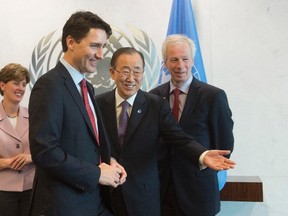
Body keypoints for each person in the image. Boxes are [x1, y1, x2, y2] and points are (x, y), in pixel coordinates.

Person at [95, 47, 235, 216]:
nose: (131, 78)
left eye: (137, 71)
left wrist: (202, 155)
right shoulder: (97, 104)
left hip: (144, 198)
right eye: (125, 71)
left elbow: (178, 137)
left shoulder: (155, 104)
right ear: (112, 73)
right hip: (105, 196)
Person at [28, 11, 126, 216]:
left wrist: (109, 162)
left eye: (103, 47)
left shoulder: (86, 87)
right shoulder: (49, 86)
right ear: (71, 42)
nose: (100, 55)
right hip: (65, 206)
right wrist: (97, 173)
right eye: (94, 46)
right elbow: (45, 152)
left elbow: (87, 142)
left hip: (95, 201)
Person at [150, 34, 234, 216]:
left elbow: (224, 146)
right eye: (173, 59)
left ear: (193, 61)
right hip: (162, 192)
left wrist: (203, 161)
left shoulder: (213, 96)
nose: (180, 65)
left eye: (185, 59)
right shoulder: (153, 97)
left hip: (198, 192)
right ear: (165, 63)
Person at [0, 63, 35, 216]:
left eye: (24, 84)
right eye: (16, 83)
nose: (21, 88)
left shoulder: (35, 115)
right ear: (2, 85)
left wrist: (30, 157)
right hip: (3, 192)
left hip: (32, 189)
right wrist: (7, 163)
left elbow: (47, 149)